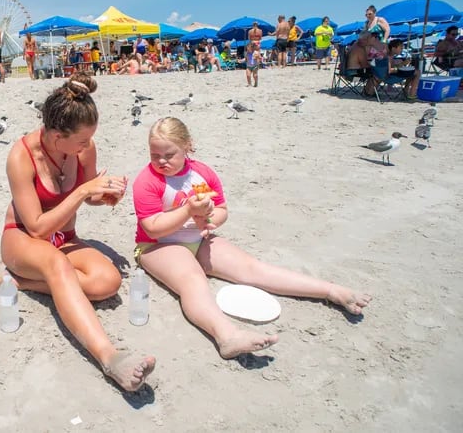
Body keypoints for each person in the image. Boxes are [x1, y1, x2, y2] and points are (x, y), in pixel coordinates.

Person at [0, 72, 156, 392]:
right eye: (83, 140)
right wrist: (85, 192)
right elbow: (37, 227)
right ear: (57, 137)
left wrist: (107, 195)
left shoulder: (83, 147)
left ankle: (16, 281)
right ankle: (109, 357)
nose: (88, 146)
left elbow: (92, 197)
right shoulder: (21, 156)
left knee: (108, 282)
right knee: (57, 266)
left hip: (64, 237)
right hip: (23, 237)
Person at [132, 117, 371, 359]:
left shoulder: (201, 173)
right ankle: (227, 336)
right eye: (155, 155)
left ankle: (329, 291)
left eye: (169, 155)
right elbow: (152, 228)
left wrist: (211, 218)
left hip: (198, 239)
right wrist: (188, 211)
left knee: (251, 269)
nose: (161, 161)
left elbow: (222, 208)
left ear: (187, 146)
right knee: (192, 280)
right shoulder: (147, 180)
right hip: (157, 246)